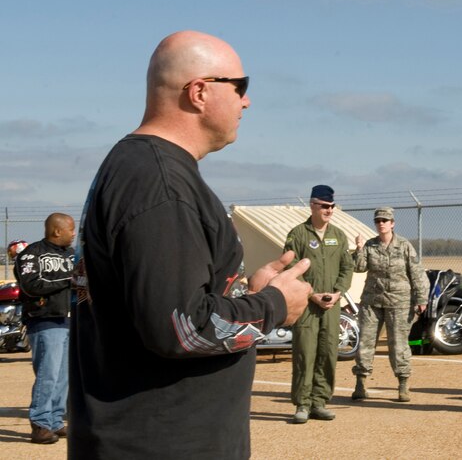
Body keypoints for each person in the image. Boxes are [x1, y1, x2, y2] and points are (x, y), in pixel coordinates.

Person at [70, 31, 312, 459]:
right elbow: (181, 328)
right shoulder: (158, 183)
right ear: (199, 92)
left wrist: (249, 295)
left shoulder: (145, 170)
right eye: (240, 86)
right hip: (159, 443)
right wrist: (274, 305)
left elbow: (169, 305)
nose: (246, 102)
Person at [285, 184, 355, 424]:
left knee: (327, 353)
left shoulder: (338, 235)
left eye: (332, 207)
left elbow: (347, 266)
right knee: (305, 353)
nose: (329, 210)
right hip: (306, 305)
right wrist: (311, 293)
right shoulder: (298, 234)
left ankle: (320, 401)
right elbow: (289, 267)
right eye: (324, 206)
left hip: (332, 306)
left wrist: (338, 292)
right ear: (313, 205)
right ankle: (302, 404)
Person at [351, 207, 429, 402]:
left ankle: (403, 384)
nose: (381, 224)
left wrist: (421, 298)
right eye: (378, 221)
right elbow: (359, 267)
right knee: (365, 343)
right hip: (372, 302)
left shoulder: (404, 246)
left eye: (385, 220)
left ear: (392, 223)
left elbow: (417, 273)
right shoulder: (370, 245)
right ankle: (361, 383)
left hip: (399, 302)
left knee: (398, 345)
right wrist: (359, 248)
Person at [13, 214, 75, 444]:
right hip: (45, 320)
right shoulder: (32, 253)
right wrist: (69, 279)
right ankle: (40, 423)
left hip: (70, 321)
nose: (74, 233)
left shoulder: (71, 255)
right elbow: (31, 285)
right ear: (57, 231)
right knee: (48, 375)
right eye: (71, 229)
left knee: (63, 376)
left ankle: (55, 421)